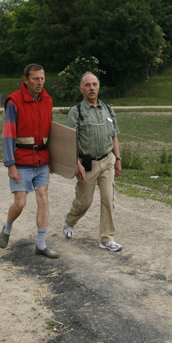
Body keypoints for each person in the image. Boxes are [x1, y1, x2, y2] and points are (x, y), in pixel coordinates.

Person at [0, 63, 59, 259]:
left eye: (42, 78)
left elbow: (51, 132)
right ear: (25, 80)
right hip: (21, 160)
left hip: (41, 159)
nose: (40, 82)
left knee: (43, 198)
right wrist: (10, 164)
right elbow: (8, 134)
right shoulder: (14, 101)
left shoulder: (47, 100)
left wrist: (52, 159)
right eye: (35, 79)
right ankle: (7, 227)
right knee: (20, 203)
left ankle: (40, 245)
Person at [62, 72, 123, 252]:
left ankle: (106, 238)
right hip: (86, 164)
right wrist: (76, 163)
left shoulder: (107, 109)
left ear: (98, 87)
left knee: (108, 199)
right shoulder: (77, 112)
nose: (92, 88)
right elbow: (69, 141)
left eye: (94, 84)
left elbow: (114, 136)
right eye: (87, 85)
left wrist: (117, 159)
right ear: (81, 89)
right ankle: (69, 220)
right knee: (84, 201)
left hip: (107, 161)